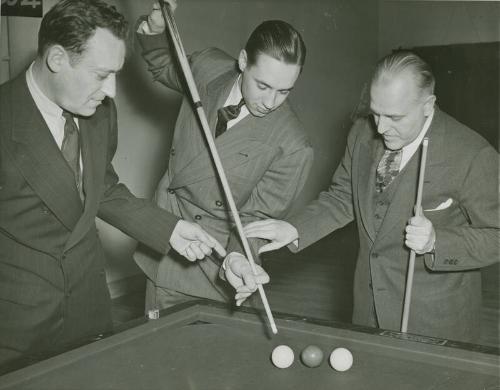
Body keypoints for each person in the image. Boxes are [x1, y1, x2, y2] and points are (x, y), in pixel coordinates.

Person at [0, 0, 227, 368]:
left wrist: (170, 230)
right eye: (101, 74)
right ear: (57, 59)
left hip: (89, 309)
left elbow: (100, 188)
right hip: (18, 323)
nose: (112, 91)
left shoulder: (99, 112)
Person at [240, 51, 500, 343]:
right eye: (376, 112)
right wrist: (295, 228)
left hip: (434, 321)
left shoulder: (472, 155)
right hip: (367, 309)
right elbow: (342, 197)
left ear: (428, 105)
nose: (381, 127)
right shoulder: (362, 134)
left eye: (394, 117)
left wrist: (436, 241)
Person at [133, 0, 314, 311]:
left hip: (217, 264)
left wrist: (240, 259)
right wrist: (154, 30)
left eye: (284, 91)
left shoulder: (292, 145)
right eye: (263, 85)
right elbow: (163, 66)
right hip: (167, 235)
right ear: (243, 61)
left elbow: (256, 220)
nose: (271, 101)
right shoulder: (208, 67)